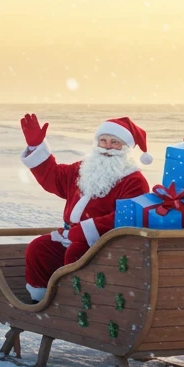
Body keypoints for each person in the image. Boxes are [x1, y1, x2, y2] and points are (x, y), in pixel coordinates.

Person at [18, 114, 152, 302]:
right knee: (39, 248)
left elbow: (127, 218)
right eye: (103, 141)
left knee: (76, 254)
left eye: (115, 142)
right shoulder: (83, 169)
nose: (107, 147)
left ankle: (77, 303)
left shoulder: (134, 181)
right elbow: (54, 177)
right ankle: (42, 301)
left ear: (127, 148)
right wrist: (36, 146)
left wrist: (85, 231)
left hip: (104, 245)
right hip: (68, 237)